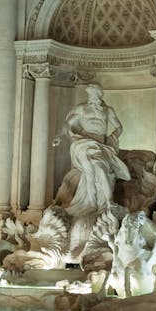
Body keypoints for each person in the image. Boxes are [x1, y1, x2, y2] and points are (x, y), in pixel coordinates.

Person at [56, 83, 131, 256]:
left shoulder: (108, 110)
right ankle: (90, 204)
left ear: (99, 94)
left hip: (100, 146)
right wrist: (61, 137)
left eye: (95, 93)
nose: (93, 97)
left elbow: (118, 127)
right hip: (83, 143)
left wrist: (113, 137)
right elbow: (67, 125)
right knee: (89, 171)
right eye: (90, 94)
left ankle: (107, 203)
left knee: (99, 168)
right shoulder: (82, 109)